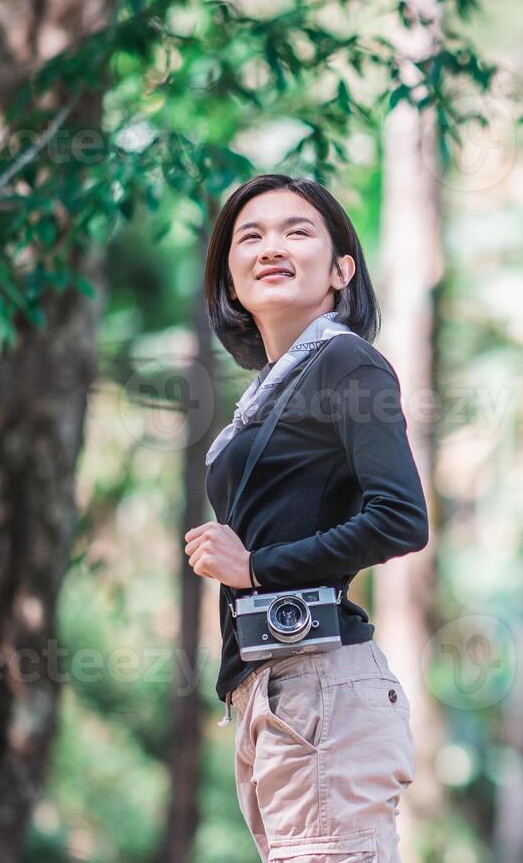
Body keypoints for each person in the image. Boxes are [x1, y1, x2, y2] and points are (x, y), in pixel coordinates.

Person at [185, 173, 431, 862]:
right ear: (230, 280)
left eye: (297, 231)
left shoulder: (347, 364)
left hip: (321, 686)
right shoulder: (271, 388)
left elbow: (400, 518)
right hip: (278, 691)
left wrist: (257, 566)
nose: (271, 246)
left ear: (340, 270)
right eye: (250, 236)